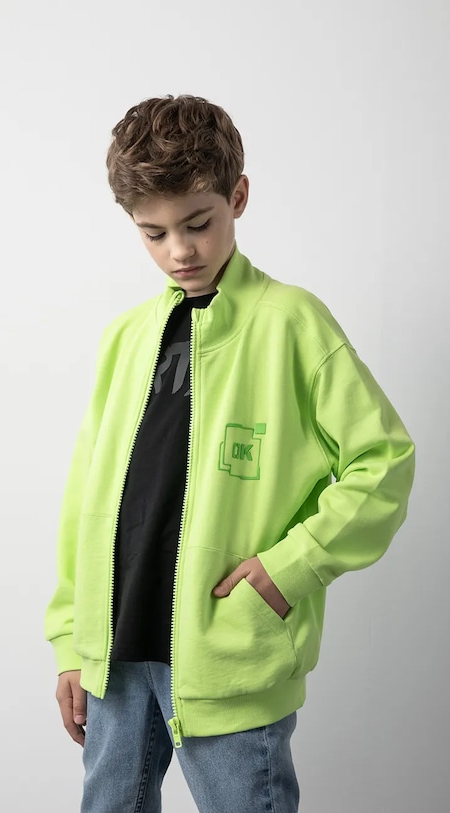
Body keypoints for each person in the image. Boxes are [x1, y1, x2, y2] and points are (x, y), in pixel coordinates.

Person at [44, 95, 415, 813]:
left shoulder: (292, 322)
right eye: (154, 233)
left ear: (237, 197)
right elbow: (84, 498)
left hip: (229, 654)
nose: (179, 251)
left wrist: (289, 568)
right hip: (113, 654)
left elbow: (383, 460)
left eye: (198, 223)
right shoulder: (125, 337)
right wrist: (69, 640)